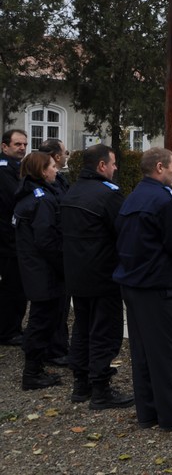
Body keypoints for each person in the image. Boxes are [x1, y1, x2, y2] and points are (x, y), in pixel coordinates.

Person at [113, 147, 172, 431]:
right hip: (156, 286)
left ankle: (148, 411)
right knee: (165, 353)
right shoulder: (163, 201)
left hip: (133, 284)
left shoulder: (132, 197)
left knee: (142, 351)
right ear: (160, 167)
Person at [61, 144, 134, 409]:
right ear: (102, 166)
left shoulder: (71, 191)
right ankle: (101, 389)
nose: (115, 168)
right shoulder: (108, 195)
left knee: (82, 328)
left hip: (76, 275)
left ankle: (81, 384)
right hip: (103, 276)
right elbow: (125, 232)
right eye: (113, 164)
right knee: (105, 330)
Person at [14, 151, 65, 390]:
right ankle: (32, 373)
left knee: (41, 319)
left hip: (34, 268)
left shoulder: (30, 194)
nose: (56, 170)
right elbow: (46, 240)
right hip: (43, 271)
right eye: (52, 166)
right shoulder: (41, 199)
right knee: (41, 321)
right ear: (43, 171)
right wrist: (62, 265)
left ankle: (36, 368)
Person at [37, 138, 71, 365]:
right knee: (51, 308)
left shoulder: (59, 179)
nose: (67, 155)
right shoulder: (44, 188)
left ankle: (58, 347)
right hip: (52, 257)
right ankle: (52, 351)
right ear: (56, 157)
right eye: (65, 152)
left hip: (59, 251)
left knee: (60, 307)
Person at [0, 129, 28, 347]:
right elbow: (14, 197)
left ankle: (13, 327)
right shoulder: (3, 170)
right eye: (17, 144)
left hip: (13, 237)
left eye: (24, 144)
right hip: (7, 239)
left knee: (17, 286)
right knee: (12, 287)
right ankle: (8, 331)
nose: (22, 148)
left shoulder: (16, 167)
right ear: (4, 146)